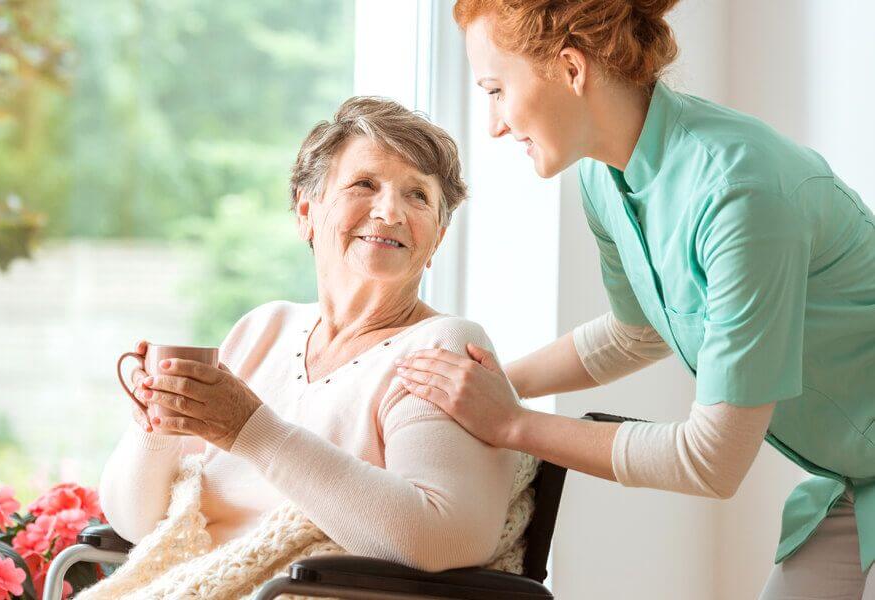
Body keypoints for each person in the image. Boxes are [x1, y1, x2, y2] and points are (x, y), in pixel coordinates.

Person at [393, 1, 875, 597]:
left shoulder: (740, 194)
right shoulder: (604, 175)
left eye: (495, 89)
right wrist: (483, 384)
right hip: (856, 480)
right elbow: (636, 332)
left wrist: (513, 422)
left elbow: (711, 460)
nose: (492, 123)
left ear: (571, 69)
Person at [97, 97, 522, 578]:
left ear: (437, 237)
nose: (390, 211)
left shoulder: (442, 346)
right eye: (365, 184)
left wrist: (251, 431)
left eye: (418, 196)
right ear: (306, 211)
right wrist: (154, 424)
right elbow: (135, 521)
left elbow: (445, 538)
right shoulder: (264, 330)